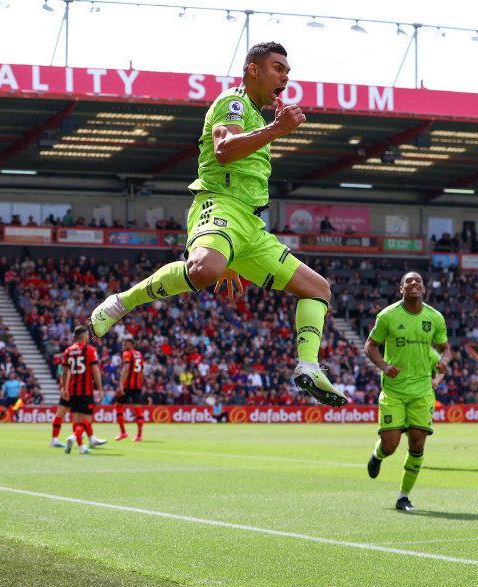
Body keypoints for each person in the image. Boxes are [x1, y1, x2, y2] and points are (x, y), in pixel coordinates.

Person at [89, 41, 346, 408]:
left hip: (250, 227)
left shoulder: (257, 114)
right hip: (219, 205)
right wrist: (277, 129)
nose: (285, 77)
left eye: (288, 72)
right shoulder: (233, 102)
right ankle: (120, 303)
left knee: (318, 288)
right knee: (205, 269)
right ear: (253, 69)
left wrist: (233, 253)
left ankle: (308, 367)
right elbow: (224, 151)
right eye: (278, 68)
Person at [364, 271, 451, 512]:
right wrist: (384, 366)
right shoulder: (388, 316)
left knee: (417, 444)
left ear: (423, 289)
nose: (414, 284)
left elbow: (446, 349)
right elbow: (370, 346)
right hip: (393, 391)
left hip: (422, 391)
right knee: (390, 445)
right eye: (408, 282)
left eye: (418, 282)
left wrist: (444, 362)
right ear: (401, 289)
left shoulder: (435, 317)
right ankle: (378, 455)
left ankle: (403, 497)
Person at [59, 325, 108, 454]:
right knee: (87, 419)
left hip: (73, 390)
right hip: (86, 390)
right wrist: (100, 389)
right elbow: (96, 371)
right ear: (83, 336)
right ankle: (73, 437)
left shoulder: (67, 351)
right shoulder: (90, 350)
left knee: (76, 420)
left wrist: (64, 388)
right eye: (87, 335)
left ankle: (81, 447)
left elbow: (64, 372)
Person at [114, 336, 145, 442]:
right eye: (122, 344)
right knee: (138, 410)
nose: (123, 346)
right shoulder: (139, 354)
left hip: (127, 385)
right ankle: (139, 435)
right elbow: (141, 371)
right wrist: (140, 382)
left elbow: (126, 370)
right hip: (137, 385)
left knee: (118, 406)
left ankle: (123, 432)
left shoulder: (126, 354)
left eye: (125, 344)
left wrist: (121, 385)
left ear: (131, 344)